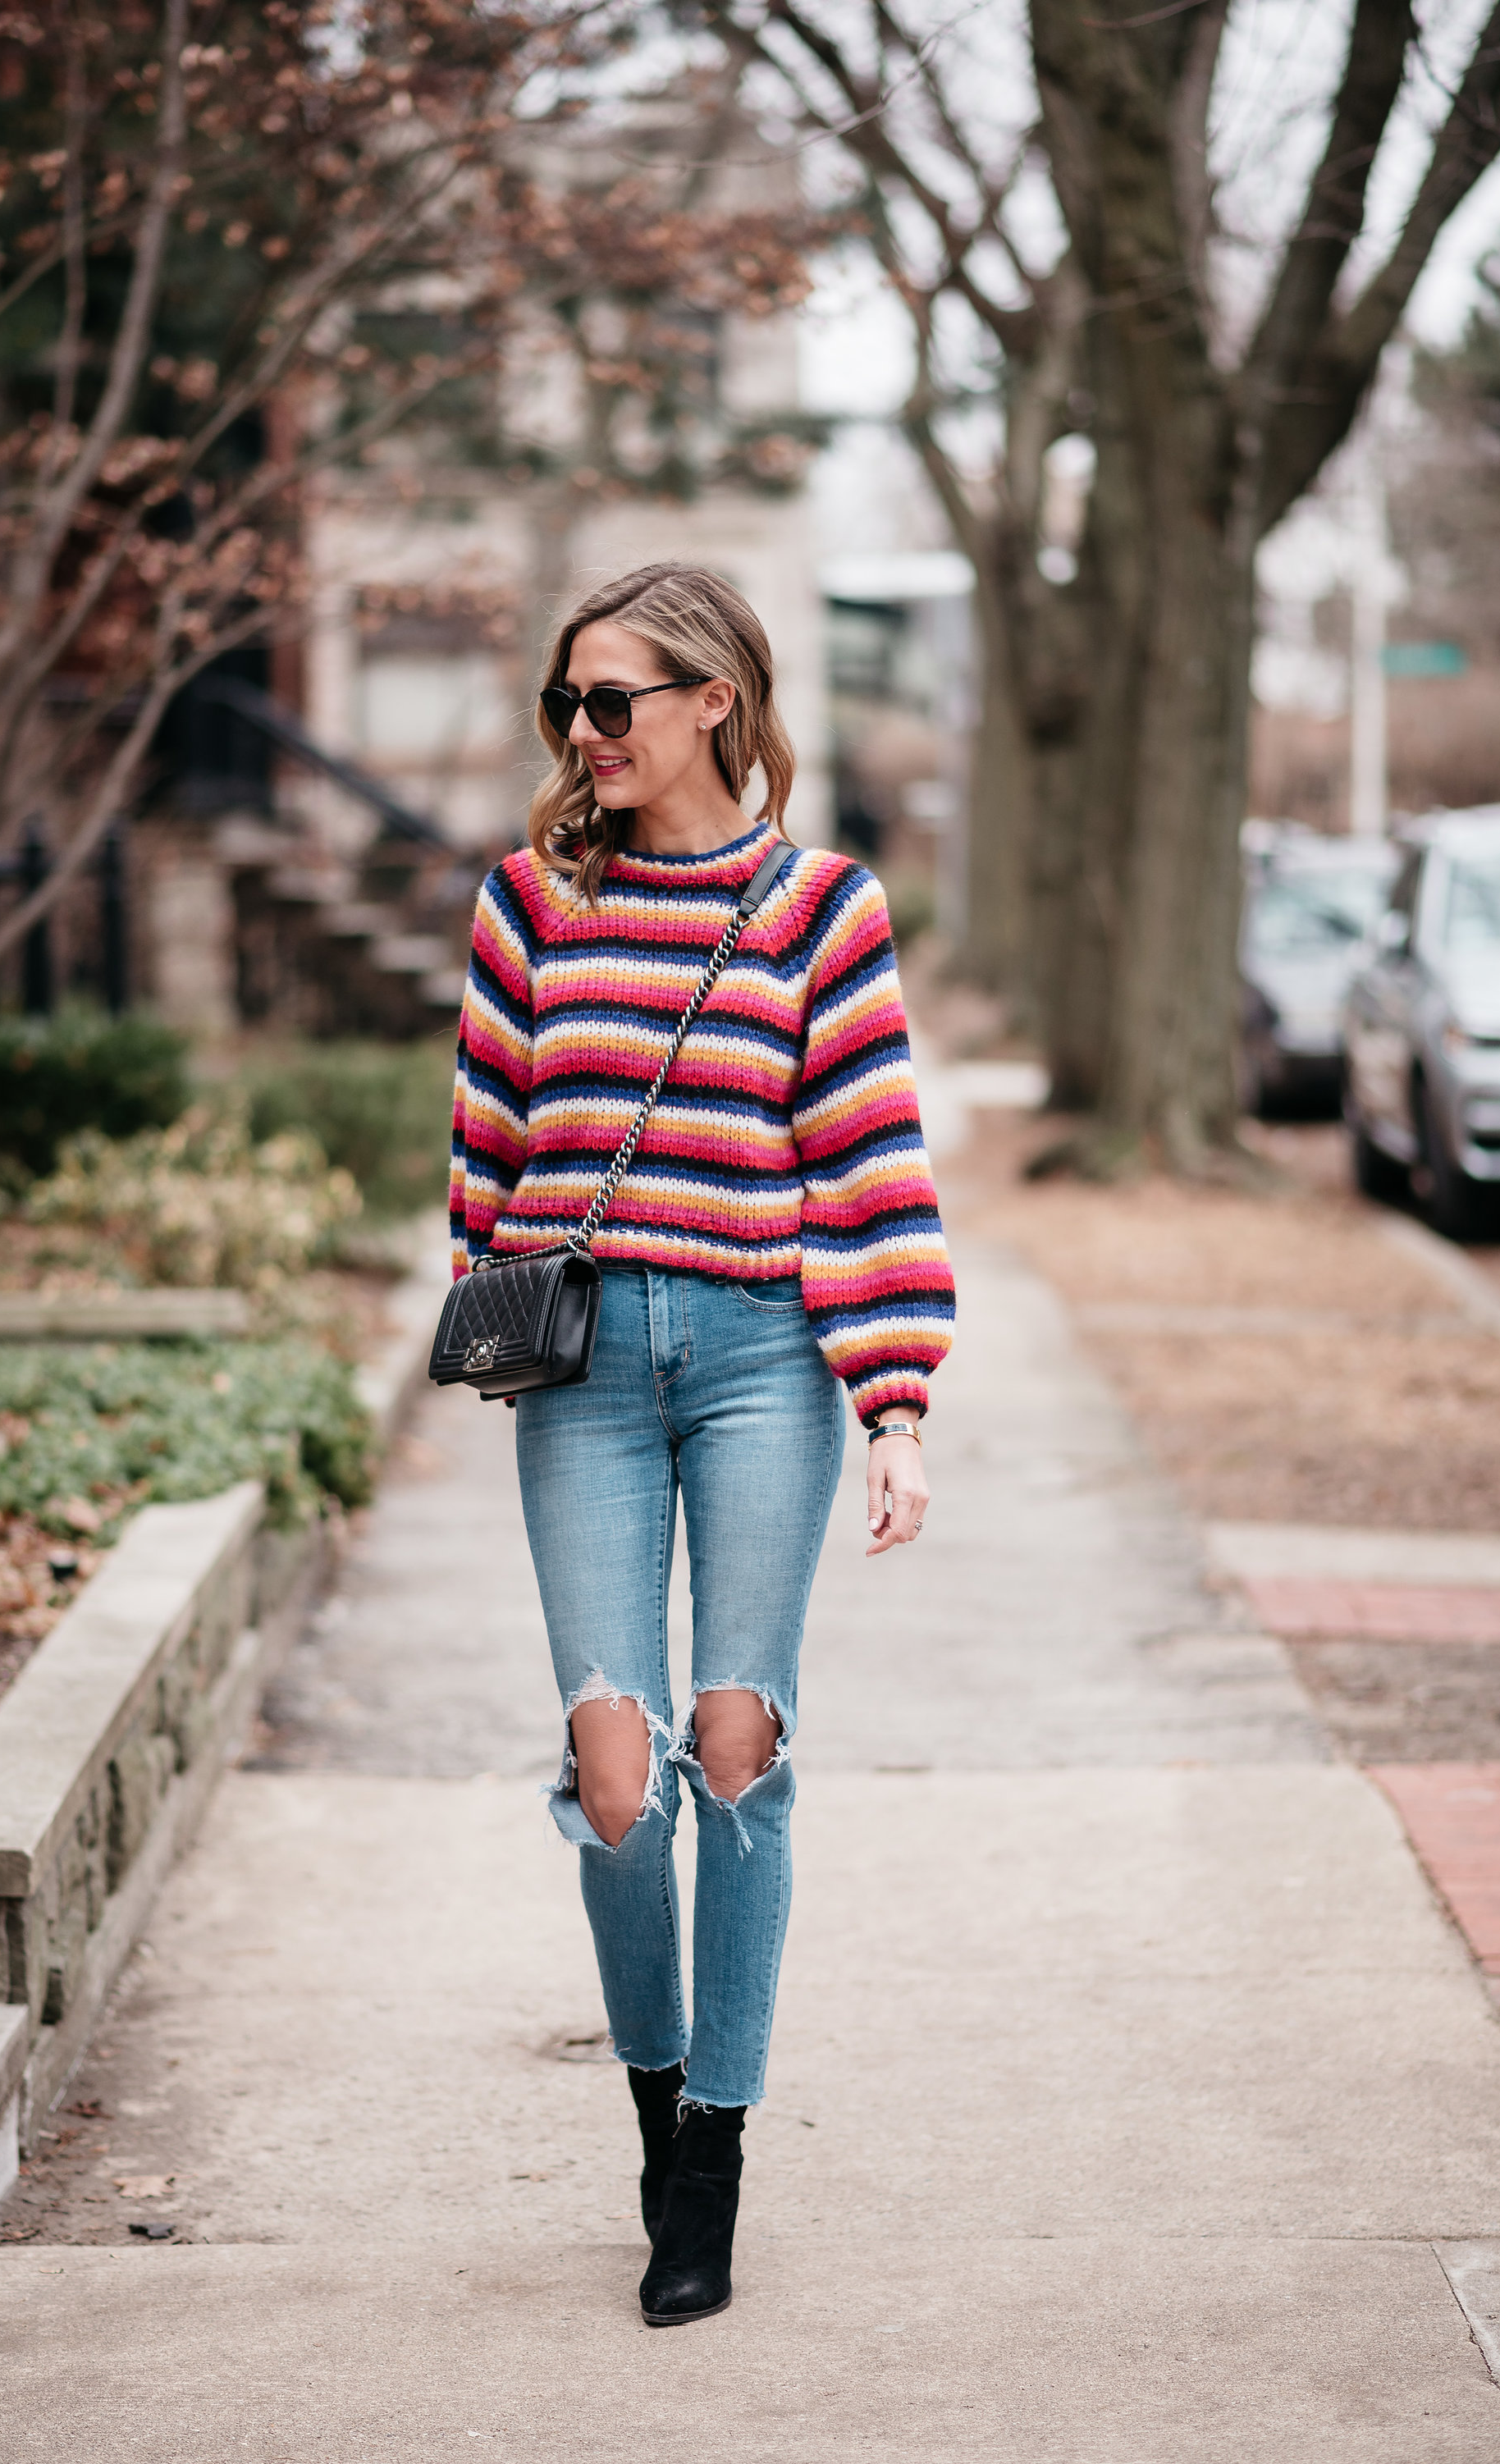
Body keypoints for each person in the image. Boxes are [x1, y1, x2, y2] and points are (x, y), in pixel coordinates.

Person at [450, 560, 955, 2326]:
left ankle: (713, 2161)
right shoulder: (530, 903)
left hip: (758, 1358)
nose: (581, 736)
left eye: (612, 703)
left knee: (735, 1744)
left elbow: (872, 1163)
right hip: (585, 1373)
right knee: (613, 1779)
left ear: (710, 703)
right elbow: (487, 1147)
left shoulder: (822, 906)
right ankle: (656, 2111)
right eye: (565, 709)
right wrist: (494, 1303)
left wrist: (891, 1403)